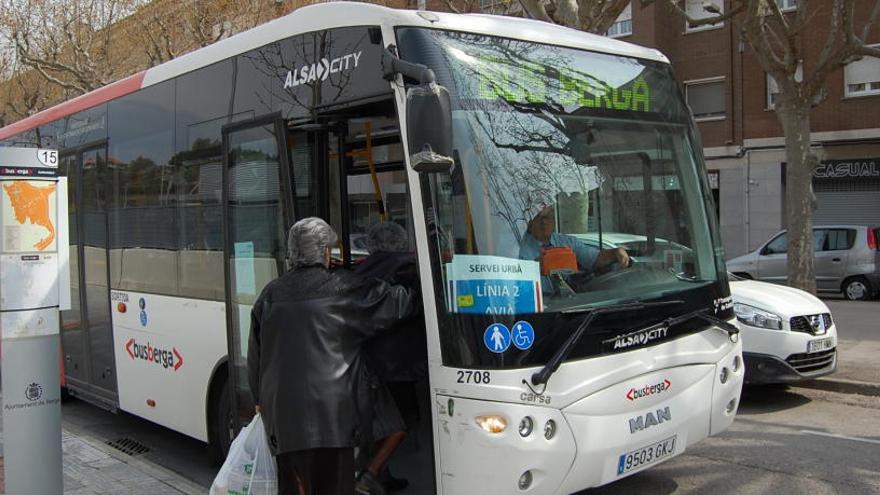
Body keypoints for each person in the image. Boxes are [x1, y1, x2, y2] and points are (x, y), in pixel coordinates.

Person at [247, 217, 414, 495]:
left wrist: (260, 402)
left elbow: (256, 358)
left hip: (284, 419)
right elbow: (398, 303)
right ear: (325, 252)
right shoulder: (342, 289)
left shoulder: (269, 295)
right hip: (333, 418)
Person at [353, 222, 428, 495]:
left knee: (382, 422)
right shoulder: (408, 265)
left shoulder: (359, 270)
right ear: (401, 242)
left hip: (368, 361)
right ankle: (370, 473)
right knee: (405, 421)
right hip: (401, 363)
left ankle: (382, 474)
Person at [519, 204, 630, 294]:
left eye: (547, 217)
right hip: (537, 309)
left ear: (554, 221)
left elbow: (594, 258)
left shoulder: (566, 242)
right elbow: (515, 285)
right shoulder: (519, 248)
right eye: (538, 217)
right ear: (529, 222)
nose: (544, 222)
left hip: (569, 306)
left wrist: (616, 252)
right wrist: (534, 269)